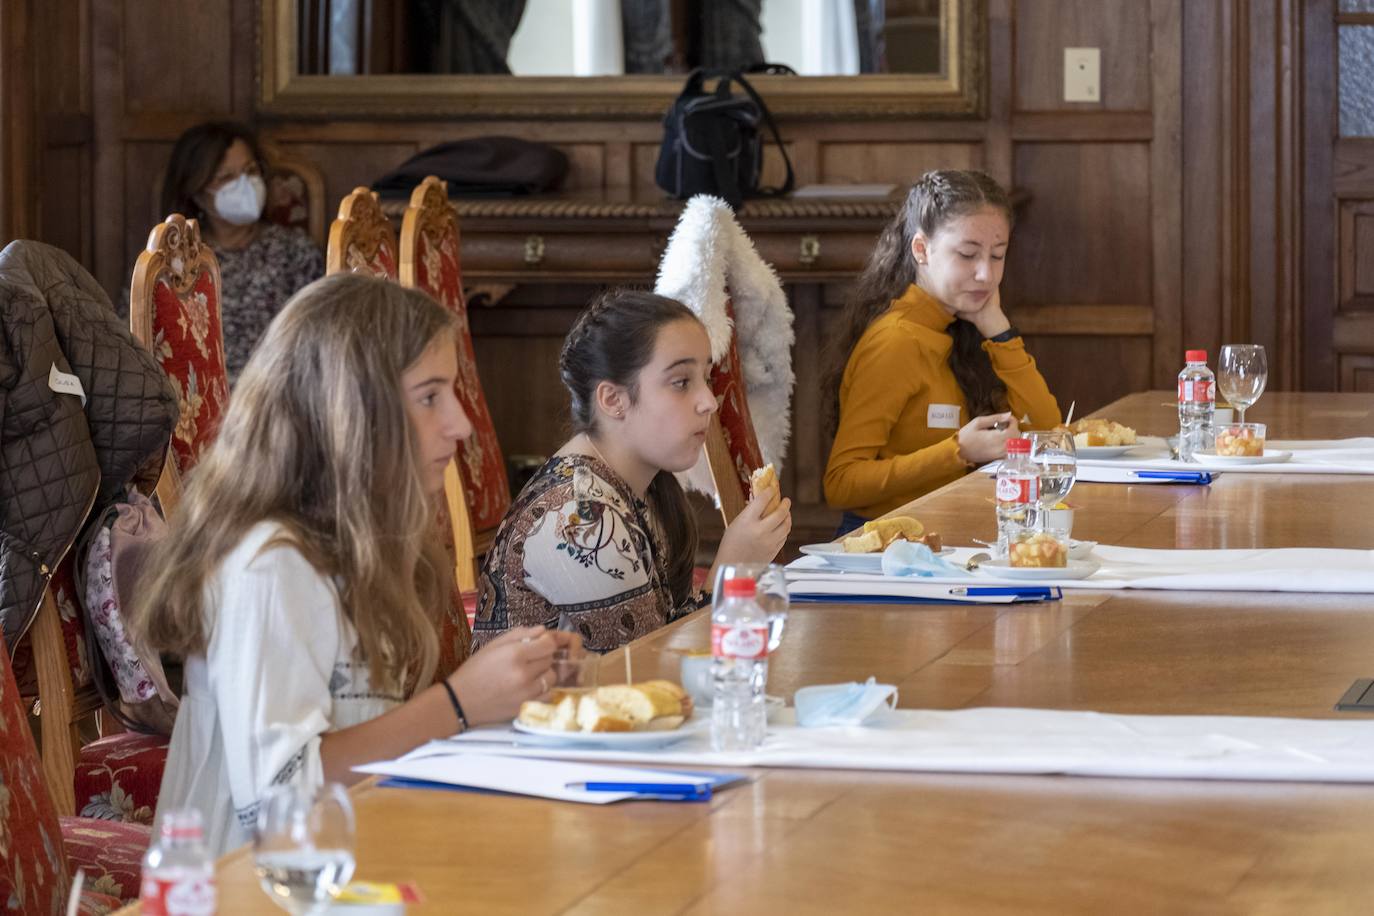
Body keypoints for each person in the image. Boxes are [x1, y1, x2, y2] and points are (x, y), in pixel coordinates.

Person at [129, 273, 579, 856]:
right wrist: (461, 704)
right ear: (348, 411)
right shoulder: (271, 565)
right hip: (253, 886)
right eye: (429, 397)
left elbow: (365, 729)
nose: (462, 425)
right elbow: (277, 799)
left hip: (358, 855)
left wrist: (503, 685)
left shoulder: (362, 542)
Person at [474, 289, 792, 654]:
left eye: (706, 378)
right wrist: (732, 570)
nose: (708, 401)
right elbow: (651, 674)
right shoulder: (576, 517)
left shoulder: (647, 486)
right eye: (681, 382)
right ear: (613, 400)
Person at [822, 169, 1060, 533]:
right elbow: (841, 483)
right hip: (887, 546)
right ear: (921, 249)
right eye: (967, 255)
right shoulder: (896, 341)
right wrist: (958, 452)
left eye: (997, 256)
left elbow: (1048, 430)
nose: (985, 274)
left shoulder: (960, 325)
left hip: (949, 534)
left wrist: (998, 328)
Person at [161, 121, 324, 384]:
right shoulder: (172, 260)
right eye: (226, 178)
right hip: (195, 399)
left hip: (275, 395)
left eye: (250, 171)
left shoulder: (294, 250)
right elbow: (141, 334)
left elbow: (321, 337)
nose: (245, 185)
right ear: (197, 192)